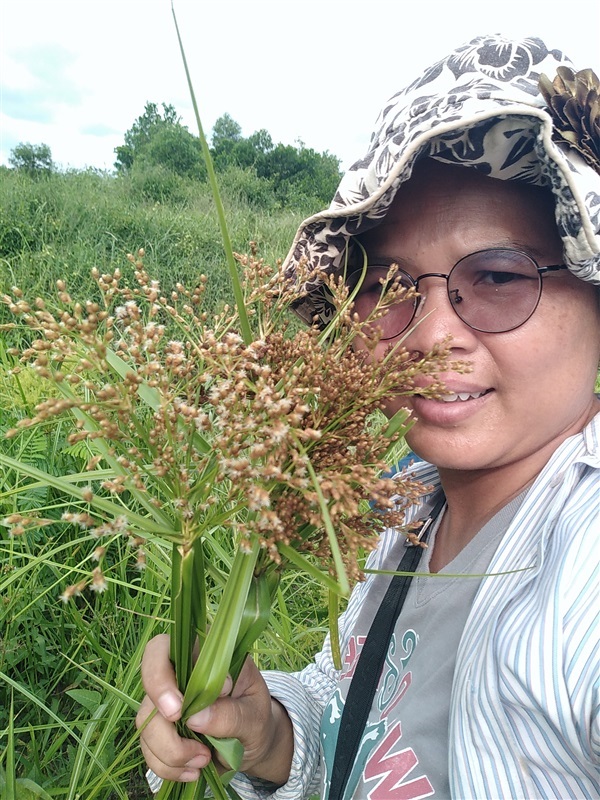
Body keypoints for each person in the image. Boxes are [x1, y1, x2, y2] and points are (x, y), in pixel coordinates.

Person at [138, 34, 600, 799]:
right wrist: (270, 732)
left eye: (495, 276)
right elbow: (359, 712)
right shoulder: (409, 504)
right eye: (388, 287)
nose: (429, 334)